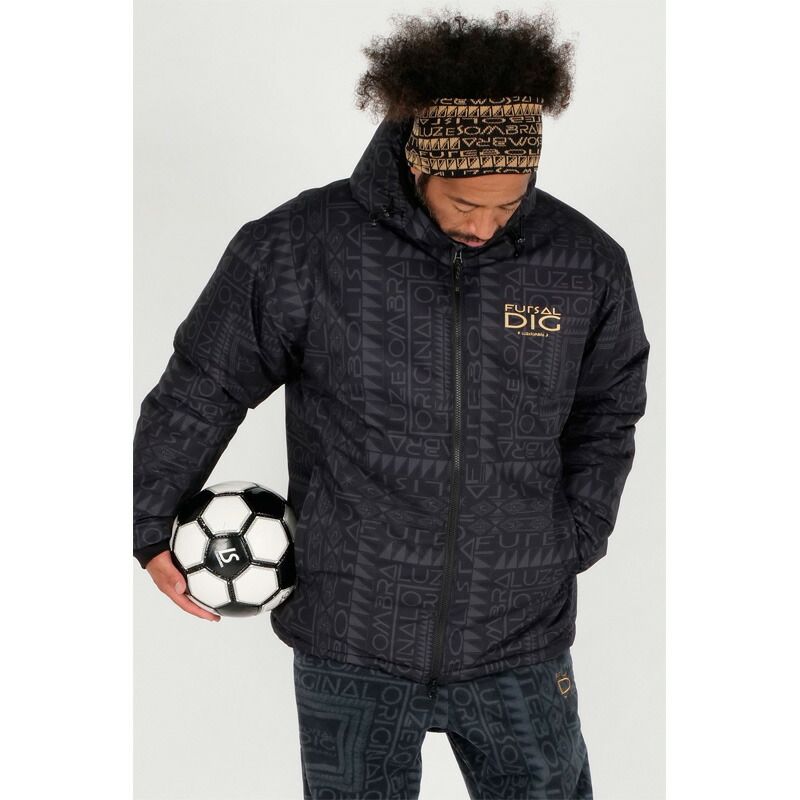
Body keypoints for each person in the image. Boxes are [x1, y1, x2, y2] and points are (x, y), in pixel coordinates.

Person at [133, 9, 650, 799]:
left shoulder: (583, 266)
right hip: (352, 635)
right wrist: (148, 522)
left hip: (518, 632)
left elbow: (609, 407)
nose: (485, 225)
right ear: (417, 163)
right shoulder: (301, 248)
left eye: (508, 204)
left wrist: (572, 533)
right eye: (465, 202)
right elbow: (204, 384)